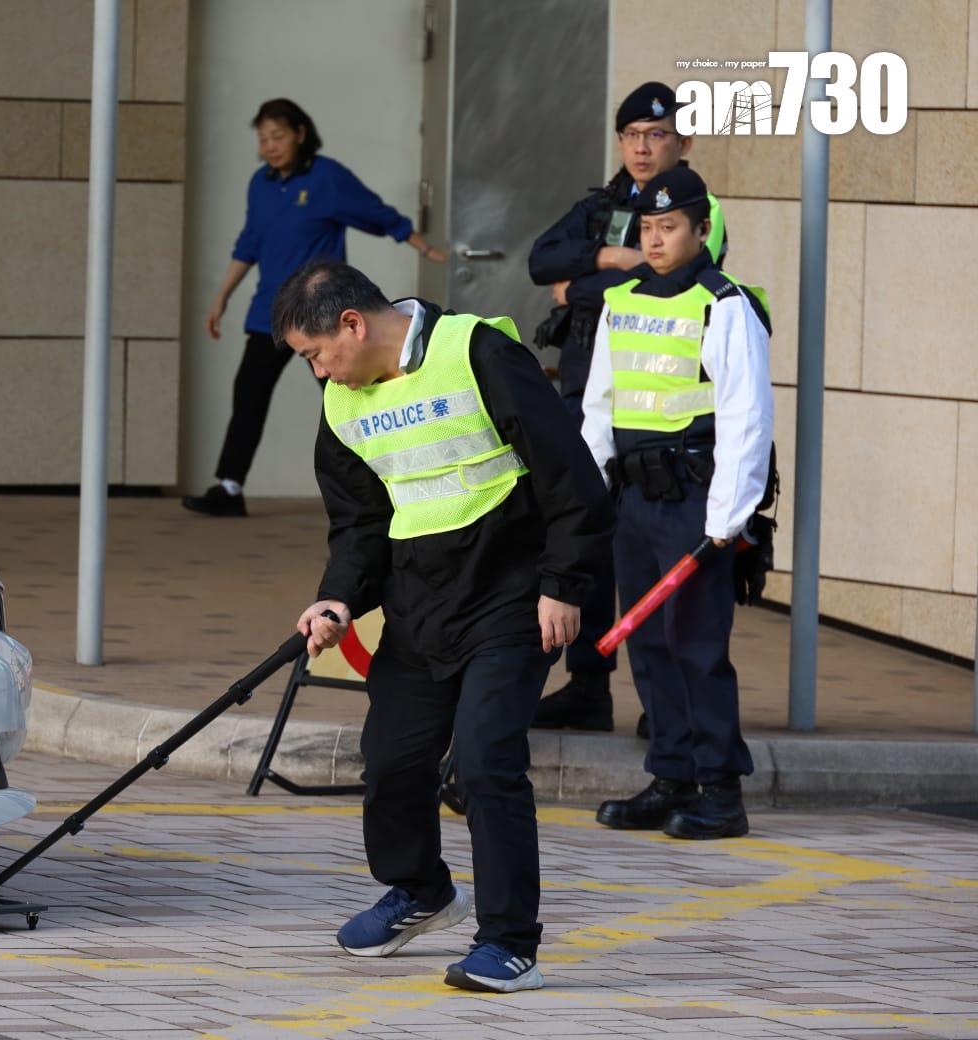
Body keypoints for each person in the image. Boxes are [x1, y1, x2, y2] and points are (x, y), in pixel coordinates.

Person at [275, 261, 613, 992]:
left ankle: (509, 941)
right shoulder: (342, 403)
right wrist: (337, 599)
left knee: (488, 762)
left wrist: (564, 584)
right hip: (418, 605)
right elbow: (360, 522)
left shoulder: (478, 353)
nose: (316, 368)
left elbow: (569, 476)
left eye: (315, 351)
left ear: (353, 324)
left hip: (512, 595)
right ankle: (420, 891)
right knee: (391, 761)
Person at [526, 81, 729, 732]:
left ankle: (665, 707)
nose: (643, 148)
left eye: (657, 135)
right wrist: (609, 258)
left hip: (663, 424)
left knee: (662, 570)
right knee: (589, 547)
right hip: (591, 403)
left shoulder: (701, 210)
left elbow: (660, 285)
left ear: (683, 142)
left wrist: (578, 289)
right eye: (633, 136)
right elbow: (541, 260)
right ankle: (589, 684)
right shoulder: (609, 205)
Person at [581, 166, 773, 840]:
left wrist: (727, 521)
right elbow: (599, 404)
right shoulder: (622, 298)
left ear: (700, 230)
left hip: (695, 500)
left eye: (670, 227)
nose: (656, 239)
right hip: (632, 499)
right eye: (648, 228)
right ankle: (670, 776)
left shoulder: (725, 304)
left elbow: (747, 417)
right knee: (648, 647)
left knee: (695, 647)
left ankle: (720, 790)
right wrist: (590, 491)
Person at [182, 98, 449, 518]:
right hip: (268, 315)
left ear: (300, 134)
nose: (270, 146)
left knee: (351, 397)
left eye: (278, 136)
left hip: (320, 317)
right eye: (263, 138)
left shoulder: (326, 178)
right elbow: (249, 243)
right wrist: (221, 297)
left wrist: (425, 246)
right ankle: (229, 488)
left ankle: (386, 484)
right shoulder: (261, 184)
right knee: (248, 397)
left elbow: (376, 212)